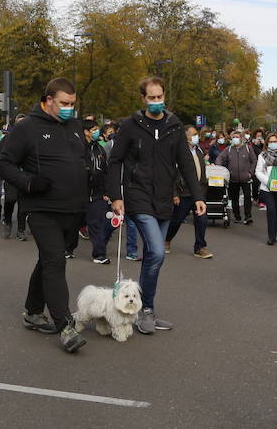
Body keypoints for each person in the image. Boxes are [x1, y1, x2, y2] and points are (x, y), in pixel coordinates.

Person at [0, 78, 90, 353]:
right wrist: (29, 182)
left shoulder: (73, 125)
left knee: (48, 261)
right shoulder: (26, 128)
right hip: (41, 209)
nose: (69, 109)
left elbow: (79, 162)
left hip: (71, 209)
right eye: (64, 104)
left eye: (73, 104)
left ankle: (33, 311)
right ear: (48, 100)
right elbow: (3, 164)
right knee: (55, 261)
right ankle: (65, 326)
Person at [108, 76, 206, 334]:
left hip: (164, 199)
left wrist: (197, 196)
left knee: (154, 257)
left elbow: (186, 163)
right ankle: (145, 310)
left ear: (164, 97)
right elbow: (115, 160)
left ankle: (144, 309)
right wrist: (116, 195)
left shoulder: (174, 127)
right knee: (158, 251)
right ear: (143, 99)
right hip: (138, 196)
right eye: (151, 98)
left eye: (159, 97)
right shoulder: (130, 126)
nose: (156, 102)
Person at [166, 126, 212, 258]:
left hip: (199, 193)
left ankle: (200, 247)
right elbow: (172, 174)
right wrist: (174, 193)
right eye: (193, 134)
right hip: (184, 192)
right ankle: (167, 239)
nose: (196, 136)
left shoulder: (198, 151)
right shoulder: (178, 152)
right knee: (177, 219)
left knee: (202, 220)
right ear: (185, 137)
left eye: (196, 134)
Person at [82, 119, 114, 263]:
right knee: (72, 223)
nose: (96, 132)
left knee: (98, 223)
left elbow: (106, 171)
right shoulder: (79, 148)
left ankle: (99, 254)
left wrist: (107, 191)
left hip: (97, 193)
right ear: (85, 131)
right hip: (81, 192)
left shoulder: (99, 148)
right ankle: (67, 248)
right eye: (93, 129)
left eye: (97, 129)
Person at [255, 135, 277, 245]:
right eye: (270, 141)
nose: (273, 143)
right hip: (267, 189)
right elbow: (258, 171)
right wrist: (268, 181)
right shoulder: (262, 155)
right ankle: (271, 237)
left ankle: (274, 235)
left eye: (275, 141)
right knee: (271, 211)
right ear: (267, 143)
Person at [218, 129, 255, 225]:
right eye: (233, 137)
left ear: (241, 138)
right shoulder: (229, 149)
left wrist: (250, 173)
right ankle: (237, 216)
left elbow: (254, 161)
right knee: (234, 198)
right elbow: (220, 158)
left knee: (247, 197)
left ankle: (248, 216)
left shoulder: (248, 148)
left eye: (237, 137)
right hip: (233, 178)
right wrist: (218, 167)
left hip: (245, 178)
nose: (235, 139)